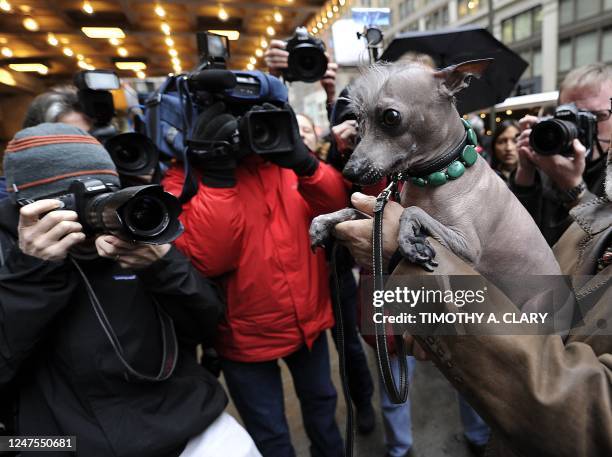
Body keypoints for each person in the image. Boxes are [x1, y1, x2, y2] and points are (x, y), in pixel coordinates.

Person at [330, 129, 612, 455]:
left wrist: (410, 266)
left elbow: (586, 419)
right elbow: (550, 314)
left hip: (515, 421)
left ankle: (469, 437)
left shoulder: (467, 174)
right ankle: (401, 447)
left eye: (600, 115)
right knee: (394, 378)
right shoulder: (598, 216)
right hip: (394, 302)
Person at [0, 122, 260, 457]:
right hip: (65, 444)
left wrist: (164, 265)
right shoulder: (9, 256)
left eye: (104, 195)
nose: (97, 214)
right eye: (77, 201)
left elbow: (208, 323)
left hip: (190, 427)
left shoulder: (136, 233)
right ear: (28, 204)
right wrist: (33, 274)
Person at [162, 96, 347, 457]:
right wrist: (216, 177)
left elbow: (337, 208)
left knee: (324, 414)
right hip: (244, 339)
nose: (244, 130)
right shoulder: (184, 177)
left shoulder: (282, 159)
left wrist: (307, 164)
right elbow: (210, 259)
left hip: (307, 325)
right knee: (271, 435)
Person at [511, 63, 612, 245]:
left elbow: (604, 252)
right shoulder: (549, 157)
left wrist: (574, 188)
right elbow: (515, 236)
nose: (580, 127)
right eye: (571, 116)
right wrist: (525, 173)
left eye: (597, 117)